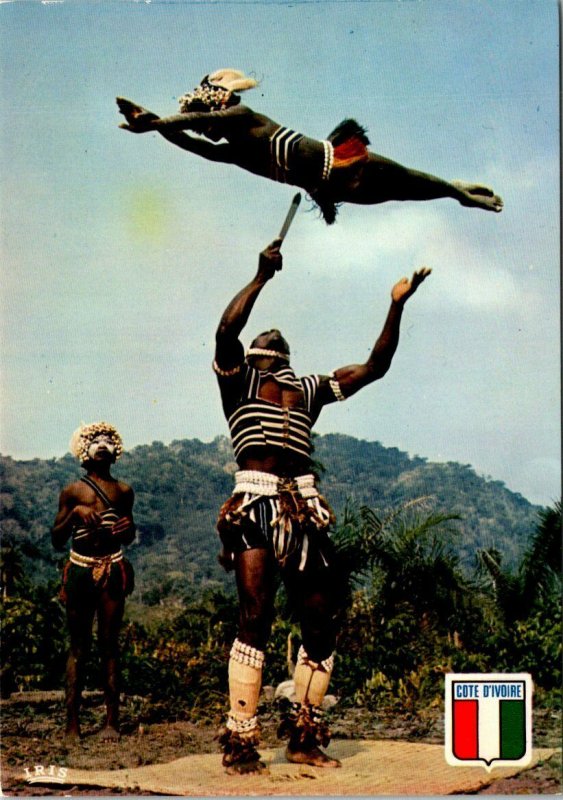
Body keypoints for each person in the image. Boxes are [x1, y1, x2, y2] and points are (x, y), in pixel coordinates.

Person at [213, 237, 431, 773]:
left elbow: (375, 366)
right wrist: (261, 276)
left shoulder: (308, 390)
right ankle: (241, 742)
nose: (273, 332)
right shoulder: (238, 382)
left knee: (320, 621)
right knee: (256, 616)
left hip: (303, 507)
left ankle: (303, 734)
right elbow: (225, 330)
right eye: (265, 333)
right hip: (255, 505)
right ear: (259, 352)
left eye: (275, 335)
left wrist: (396, 304)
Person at [117, 68, 503, 224]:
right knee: (403, 196)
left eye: (208, 122)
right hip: (330, 187)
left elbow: (196, 123)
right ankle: (452, 192)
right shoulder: (234, 152)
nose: (207, 133)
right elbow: (194, 141)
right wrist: (155, 126)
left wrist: (154, 123)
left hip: (342, 161)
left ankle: (457, 191)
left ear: (219, 104)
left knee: (406, 179)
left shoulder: (242, 116)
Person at [52, 422, 136, 740]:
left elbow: (130, 534)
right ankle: (72, 724)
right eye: (95, 441)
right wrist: (74, 514)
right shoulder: (72, 492)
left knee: (109, 646)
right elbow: (56, 539)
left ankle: (112, 722)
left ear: (115, 451)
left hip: (113, 568)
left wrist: (125, 528)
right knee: (78, 647)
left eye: (106, 441)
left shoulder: (124, 491)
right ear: (83, 453)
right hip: (80, 569)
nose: (102, 445)